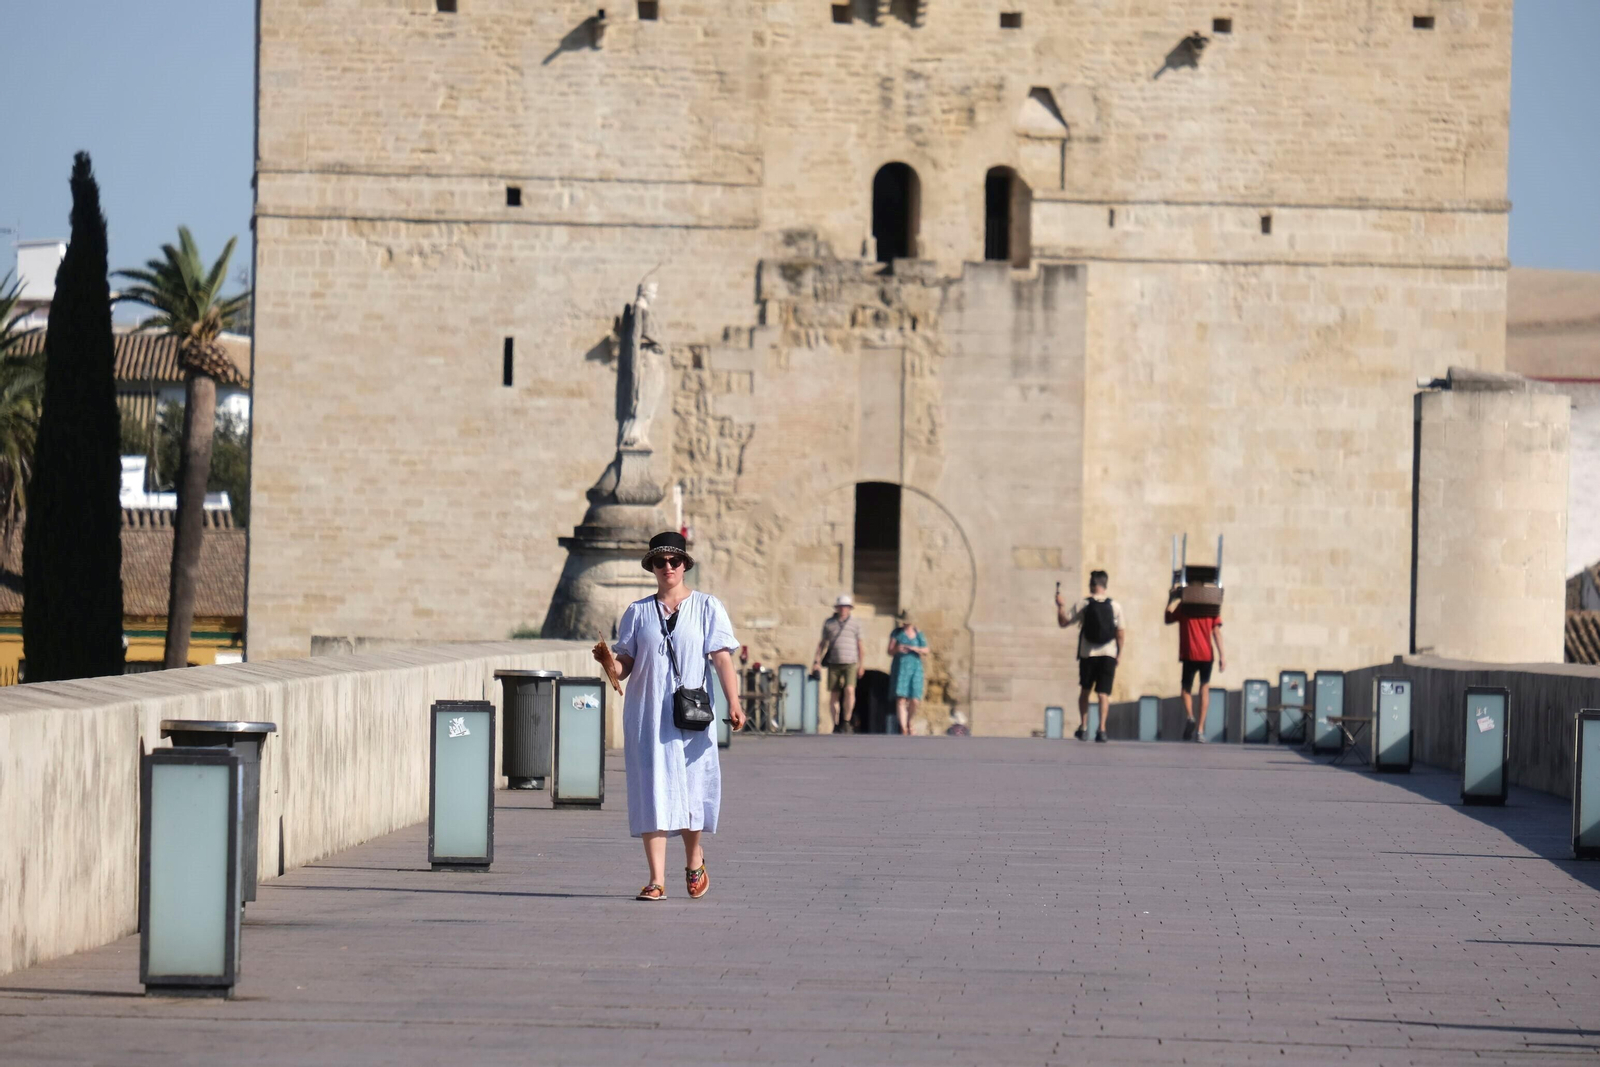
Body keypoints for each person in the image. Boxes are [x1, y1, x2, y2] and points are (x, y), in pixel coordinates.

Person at [606, 531, 745, 901]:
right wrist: (609, 663)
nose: (667, 567)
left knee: (692, 787)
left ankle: (694, 859)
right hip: (647, 715)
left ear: (685, 565)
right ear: (651, 567)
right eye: (659, 561)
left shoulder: (707, 607)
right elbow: (625, 667)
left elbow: (721, 658)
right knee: (651, 788)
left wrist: (734, 701)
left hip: (691, 714)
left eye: (674, 561)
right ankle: (655, 879)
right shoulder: (637, 612)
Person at [1055, 570, 1125, 742]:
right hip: (1108, 653)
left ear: (1092, 585)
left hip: (1088, 654)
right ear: (1105, 584)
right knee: (1103, 694)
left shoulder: (1084, 604)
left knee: (1085, 691)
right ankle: (1102, 729)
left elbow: (1063, 622)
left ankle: (1084, 726)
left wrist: (1060, 606)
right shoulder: (1115, 606)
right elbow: (1121, 633)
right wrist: (1119, 653)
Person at [1164, 588, 1225, 742]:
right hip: (1206, 655)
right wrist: (1222, 655)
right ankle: (1200, 730)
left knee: (1185, 689)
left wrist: (1170, 600)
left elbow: (1167, 618)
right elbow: (1217, 632)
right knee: (1204, 688)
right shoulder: (1211, 609)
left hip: (1189, 654)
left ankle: (1190, 716)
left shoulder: (1184, 607)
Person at [811, 594, 864, 733]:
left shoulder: (855, 624)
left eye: (846, 607)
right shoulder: (829, 623)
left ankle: (846, 720)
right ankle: (835, 722)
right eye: (841, 606)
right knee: (834, 693)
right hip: (834, 662)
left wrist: (861, 664)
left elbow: (860, 645)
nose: (843, 609)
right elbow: (822, 643)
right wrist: (816, 661)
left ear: (849, 608)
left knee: (850, 690)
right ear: (837, 608)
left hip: (850, 662)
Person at [887, 611, 927, 736]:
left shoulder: (918, 633)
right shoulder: (897, 633)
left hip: (915, 667)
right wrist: (897, 649)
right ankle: (903, 728)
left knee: (915, 699)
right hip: (901, 667)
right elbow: (889, 650)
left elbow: (926, 650)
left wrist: (916, 649)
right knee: (901, 698)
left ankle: (909, 721)